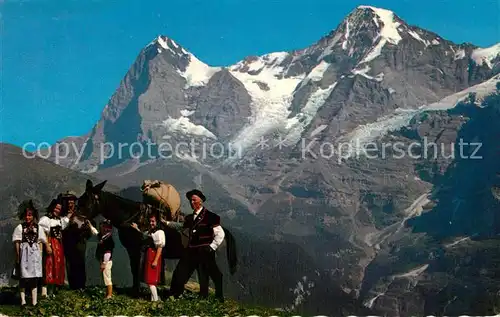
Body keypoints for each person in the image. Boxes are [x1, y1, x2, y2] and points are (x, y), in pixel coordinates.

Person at [165, 189, 225, 302]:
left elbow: (220, 233)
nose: (192, 202)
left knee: (209, 274)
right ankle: (174, 295)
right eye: (190, 200)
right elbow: (181, 226)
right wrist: (166, 223)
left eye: (194, 200)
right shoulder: (189, 218)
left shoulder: (211, 217)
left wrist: (212, 247)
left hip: (205, 251)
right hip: (191, 250)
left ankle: (216, 297)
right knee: (179, 272)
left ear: (201, 201)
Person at [12, 200, 50, 306]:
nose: (28, 218)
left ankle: (34, 301)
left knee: (34, 278)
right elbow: (17, 243)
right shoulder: (20, 228)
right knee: (23, 278)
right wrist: (18, 257)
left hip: (34, 256)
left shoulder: (38, 228)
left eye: (30, 215)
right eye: (26, 216)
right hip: (24, 256)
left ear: (33, 216)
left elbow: (43, 240)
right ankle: (23, 300)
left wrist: (47, 247)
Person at [60, 190, 98, 290]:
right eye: (67, 200)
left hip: (80, 241)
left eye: (71, 200)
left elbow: (90, 222)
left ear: (74, 201)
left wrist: (86, 235)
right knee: (69, 264)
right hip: (68, 242)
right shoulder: (62, 213)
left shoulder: (80, 211)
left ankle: (81, 285)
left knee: (80, 262)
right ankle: (73, 286)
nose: (69, 202)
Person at [38, 198, 70, 298]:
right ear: (52, 208)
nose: (57, 210)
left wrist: (70, 214)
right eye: (56, 208)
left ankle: (51, 292)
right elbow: (41, 232)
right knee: (48, 266)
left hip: (58, 245)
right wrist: (47, 244)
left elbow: (65, 223)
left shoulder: (59, 220)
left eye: (59, 209)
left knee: (57, 266)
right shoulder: (46, 219)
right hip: (50, 243)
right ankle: (44, 292)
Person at [131, 212, 165, 302]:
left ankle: (156, 300)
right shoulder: (151, 232)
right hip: (149, 255)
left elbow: (160, 248)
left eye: (153, 221)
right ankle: (153, 298)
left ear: (157, 222)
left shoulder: (159, 232)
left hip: (154, 256)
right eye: (150, 221)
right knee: (150, 280)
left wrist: (155, 261)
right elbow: (145, 235)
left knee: (151, 281)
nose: (151, 223)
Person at [95, 219, 114, 299]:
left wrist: (104, 263)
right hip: (103, 260)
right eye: (103, 226)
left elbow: (108, 252)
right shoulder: (103, 236)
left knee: (107, 278)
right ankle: (107, 294)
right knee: (105, 277)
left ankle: (109, 295)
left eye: (106, 227)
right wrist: (90, 226)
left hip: (107, 261)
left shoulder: (109, 238)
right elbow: (95, 232)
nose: (104, 228)